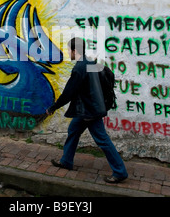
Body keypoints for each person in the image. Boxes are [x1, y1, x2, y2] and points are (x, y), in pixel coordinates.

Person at [46, 37, 128, 183]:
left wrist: (54, 107)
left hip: (89, 111)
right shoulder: (89, 62)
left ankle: (120, 171)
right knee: (73, 131)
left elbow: (69, 92)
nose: (68, 53)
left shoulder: (79, 68)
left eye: (69, 50)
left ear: (74, 50)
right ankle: (66, 161)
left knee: (102, 140)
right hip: (86, 108)